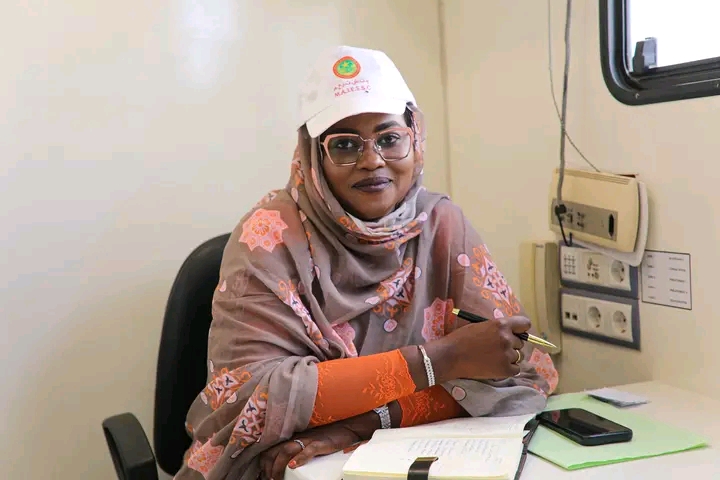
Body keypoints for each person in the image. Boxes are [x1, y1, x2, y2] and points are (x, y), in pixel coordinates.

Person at [175, 45, 559, 480]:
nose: (372, 161)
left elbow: (510, 375)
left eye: (389, 138)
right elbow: (253, 400)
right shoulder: (267, 237)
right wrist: (442, 359)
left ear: (415, 138)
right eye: (344, 145)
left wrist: (359, 426)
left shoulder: (441, 225)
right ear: (313, 156)